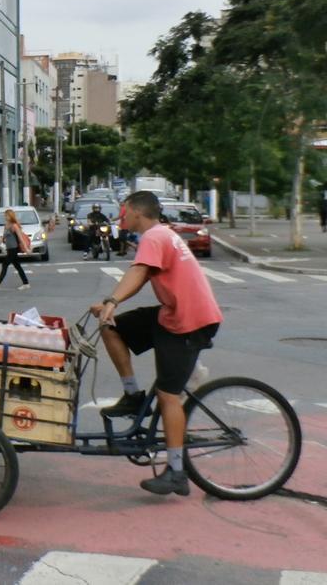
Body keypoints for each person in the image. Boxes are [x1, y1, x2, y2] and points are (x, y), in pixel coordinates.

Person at [90, 190, 223, 497]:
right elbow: (141, 273)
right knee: (113, 328)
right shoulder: (160, 235)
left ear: (137, 211)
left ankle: (176, 473)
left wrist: (112, 300)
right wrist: (110, 305)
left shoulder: (155, 236)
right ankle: (133, 395)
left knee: (168, 395)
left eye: (125, 211)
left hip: (191, 321)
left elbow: (138, 273)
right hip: (171, 315)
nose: (121, 217)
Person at [0, 208, 30, 288]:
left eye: (6, 215)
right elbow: (3, 238)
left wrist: (26, 249)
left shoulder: (14, 226)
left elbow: (20, 238)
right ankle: (26, 283)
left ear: (10, 216)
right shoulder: (6, 225)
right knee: (18, 266)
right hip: (9, 248)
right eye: (5, 215)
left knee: (5, 264)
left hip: (14, 248)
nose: (5, 217)